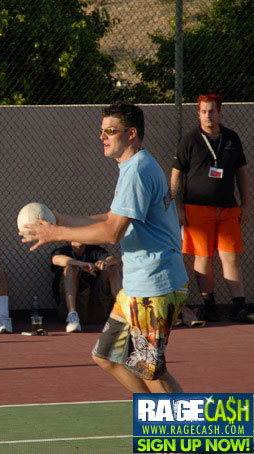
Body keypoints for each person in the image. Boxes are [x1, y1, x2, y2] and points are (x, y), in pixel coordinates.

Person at [22, 102, 189, 394]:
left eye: (110, 131)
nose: (103, 137)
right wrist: (62, 219)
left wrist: (56, 232)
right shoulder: (132, 168)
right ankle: (155, 416)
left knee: (150, 371)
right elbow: (112, 218)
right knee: (107, 356)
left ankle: (192, 434)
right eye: (102, 131)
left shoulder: (138, 170)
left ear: (132, 134)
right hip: (137, 288)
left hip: (155, 286)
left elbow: (113, 232)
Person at [170, 94, 254, 323]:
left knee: (231, 257)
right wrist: (178, 206)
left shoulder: (231, 138)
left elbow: (241, 173)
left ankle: (239, 306)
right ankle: (209, 304)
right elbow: (177, 174)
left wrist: (245, 204)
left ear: (219, 112)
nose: (208, 115)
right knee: (203, 257)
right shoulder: (190, 140)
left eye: (212, 111)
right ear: (198, 113)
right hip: (197, 210)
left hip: (227, 209)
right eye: (204, 111)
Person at [50, 242, 121, 333]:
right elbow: (56, 259)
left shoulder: (95, 251)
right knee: (71, 268)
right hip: (77, 305)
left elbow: (114, 259)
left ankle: (123, 314)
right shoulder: (62, 251)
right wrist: (80, 264)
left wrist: (106, 263)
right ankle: (72, 317)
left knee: (112, 269)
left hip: (98, 307)